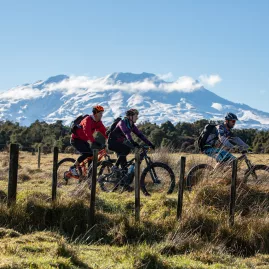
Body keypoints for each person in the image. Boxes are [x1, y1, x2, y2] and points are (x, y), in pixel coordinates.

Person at [69, 105, 108, 177]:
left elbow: (104, 132)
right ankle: (72, 168)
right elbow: (87, 132)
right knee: (86, 153)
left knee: (92, 155)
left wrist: (110, 138)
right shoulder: (87, 120)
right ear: (95, 113)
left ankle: (89, 175)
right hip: (76, 139)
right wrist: (94, 141)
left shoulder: (98, 122)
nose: (101, 115)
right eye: (100, 113)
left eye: (102, 113)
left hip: (83, 140)